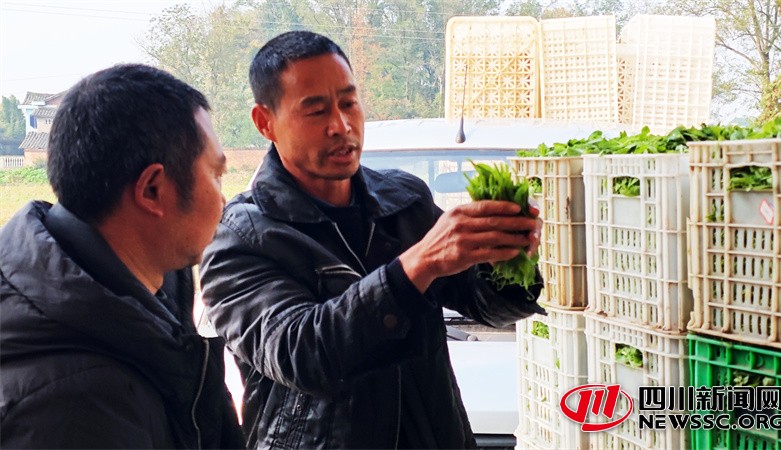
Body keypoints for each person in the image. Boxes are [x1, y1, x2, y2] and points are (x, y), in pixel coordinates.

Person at [199, 30, 545, 449]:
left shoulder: (405, 200)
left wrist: (507, 260)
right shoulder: (239, 239)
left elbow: (487, 308)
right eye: (316, 111)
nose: (341, 126)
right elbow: (302, 354)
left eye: (349, 103)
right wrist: (417, 266)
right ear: (264, 122)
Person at [0, 64, 244, 449]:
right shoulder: (72, 408)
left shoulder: (151, 292)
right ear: (152, 190)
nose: (223, 199)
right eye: (216, 175)